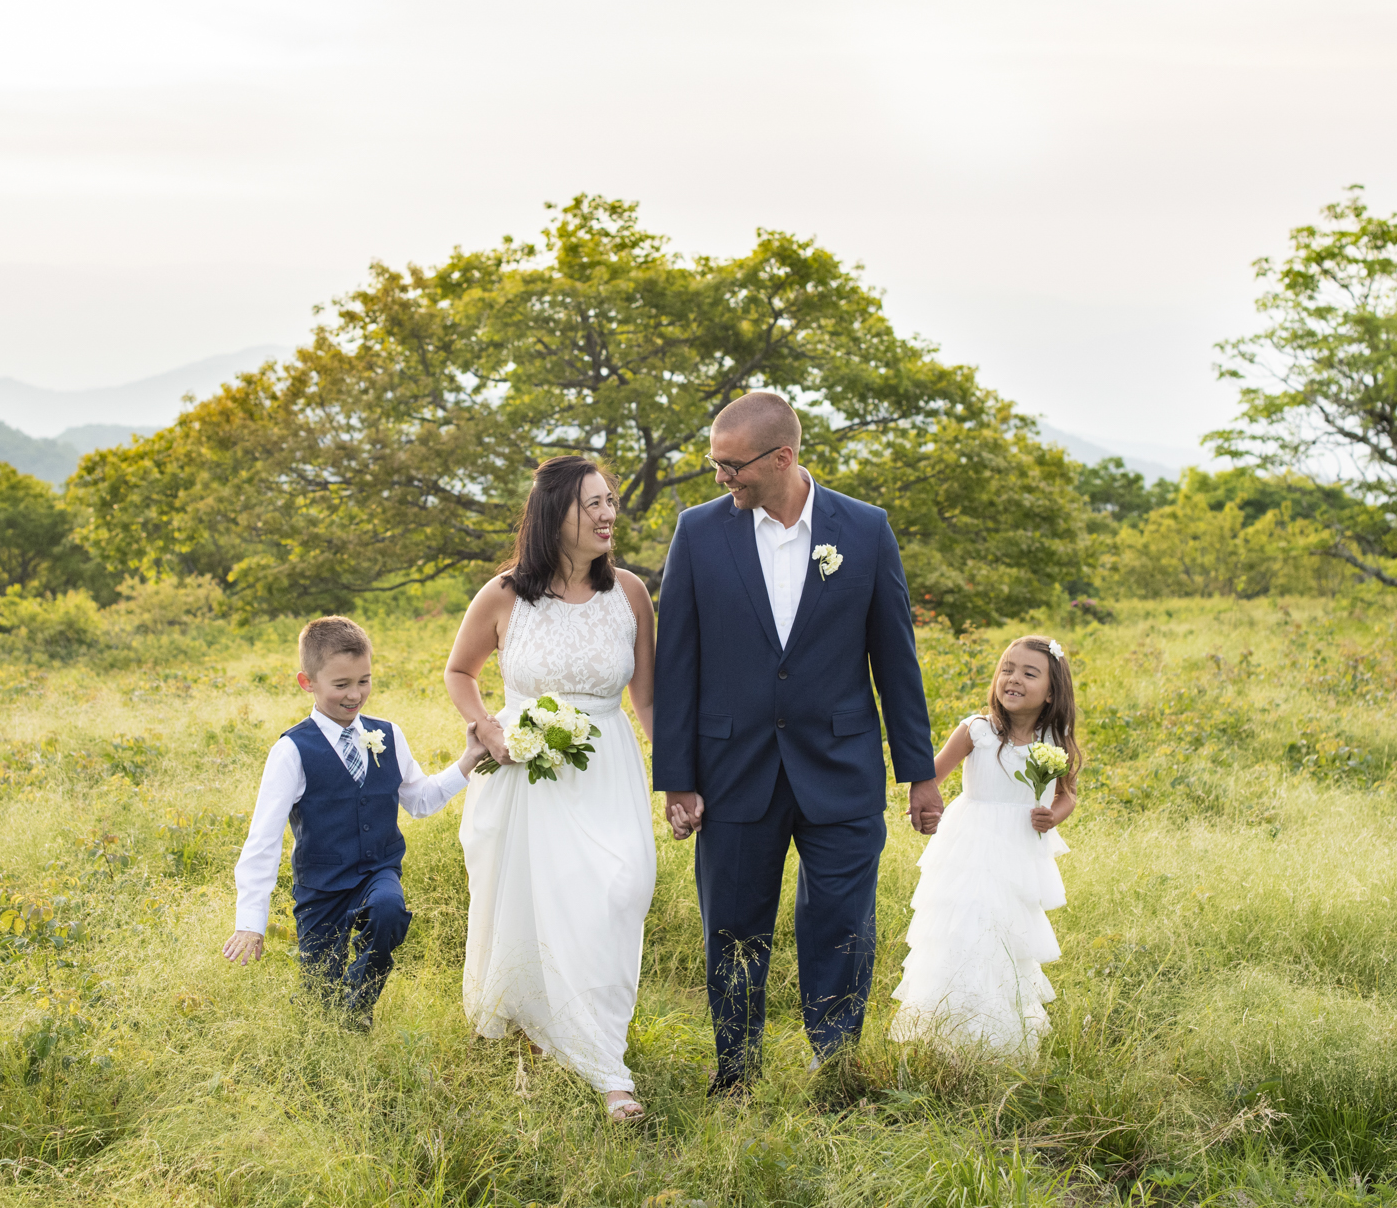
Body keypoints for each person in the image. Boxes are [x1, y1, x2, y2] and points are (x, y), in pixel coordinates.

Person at [655, 391, 939, 1096]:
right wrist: (677, 776)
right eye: (714, 462)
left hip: (840, 769)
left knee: (843, 925)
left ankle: (834, 1070)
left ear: (782, 457)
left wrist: (920, 774)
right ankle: (737, 1073)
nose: (720, 477)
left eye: (731, 464)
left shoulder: (865, 530)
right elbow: (677, 662)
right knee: (734, 927)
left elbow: (896, 662)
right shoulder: (697, 532)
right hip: (731, 770)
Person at [444, 455, 659, 1123]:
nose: (606, 515)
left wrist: (681, 778)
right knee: (543, 906)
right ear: (552, 515)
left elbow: (646, 701)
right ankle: (599, 1069)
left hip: (608, 768)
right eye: (590, 504)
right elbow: (460, 670)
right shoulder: (505, 593)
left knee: (619, 891)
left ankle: (588, 1033)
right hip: (527, 773)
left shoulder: (629, 593)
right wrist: (488, 728)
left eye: (611, 501)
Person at [222, 616, 484, 1026]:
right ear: (306, 682)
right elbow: (264, 838)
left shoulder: (389, 735)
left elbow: (420, 800)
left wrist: (468, 760)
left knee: (388, 910)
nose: (355, 694)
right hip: (321, 889)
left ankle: (359, 1007)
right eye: (341, 685)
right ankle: (330, 1018)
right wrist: (250, 923)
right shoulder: (292, 751)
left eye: (364, 681)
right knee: (317, 1003)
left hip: (377, 872)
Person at [889, 634, 1080, 1054]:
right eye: (1007, 669)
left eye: (1029, 674)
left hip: (1018, 855)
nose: (1013, 679)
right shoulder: (977, 730)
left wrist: (1054, 816)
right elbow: (930, 779)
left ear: (1051, 692)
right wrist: (923, 806)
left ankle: (998, 1035)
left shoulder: (1054, 741)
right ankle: (942, 1030)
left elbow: (1067, 794)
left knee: (1005, 936)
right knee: (964, 930)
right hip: (970, 849)